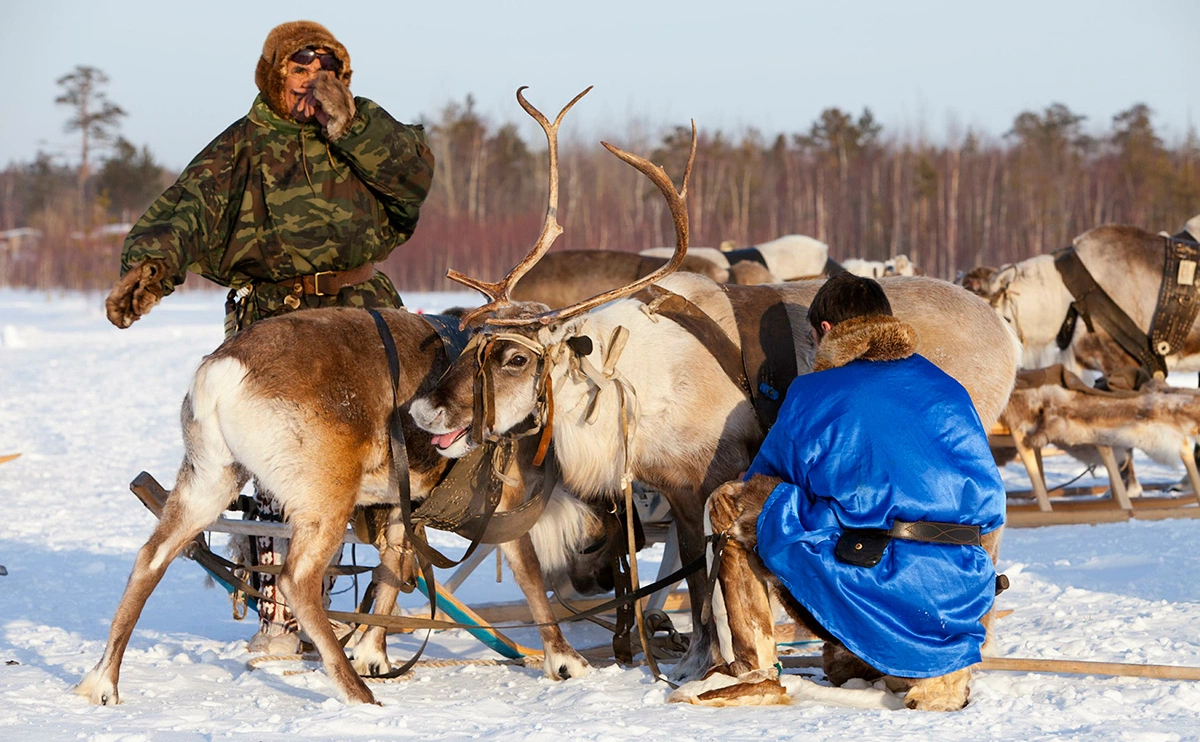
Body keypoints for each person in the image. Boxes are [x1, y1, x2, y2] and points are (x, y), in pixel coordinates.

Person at [103, 20, 435, 651]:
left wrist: (351, 122)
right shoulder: (243, 146)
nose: (315, 81)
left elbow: (413, 176)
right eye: (300, 70)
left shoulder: (362, 131)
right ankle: (281, 611)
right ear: (274, 77)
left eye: (327, 69)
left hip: (363, 311)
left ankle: (378, 593)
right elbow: (183, 212)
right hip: (277, 321)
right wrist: (148, 271)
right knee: (280, 464)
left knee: (396, 446)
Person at [675, 273, 1006, 711]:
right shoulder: (947, 386)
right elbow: (991, 503)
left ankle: (748, 668)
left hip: (879, 583)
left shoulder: (815, 391)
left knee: (732, 504)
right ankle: (899, 657)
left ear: (825, 331)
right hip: (960, 595)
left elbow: (763, 479)